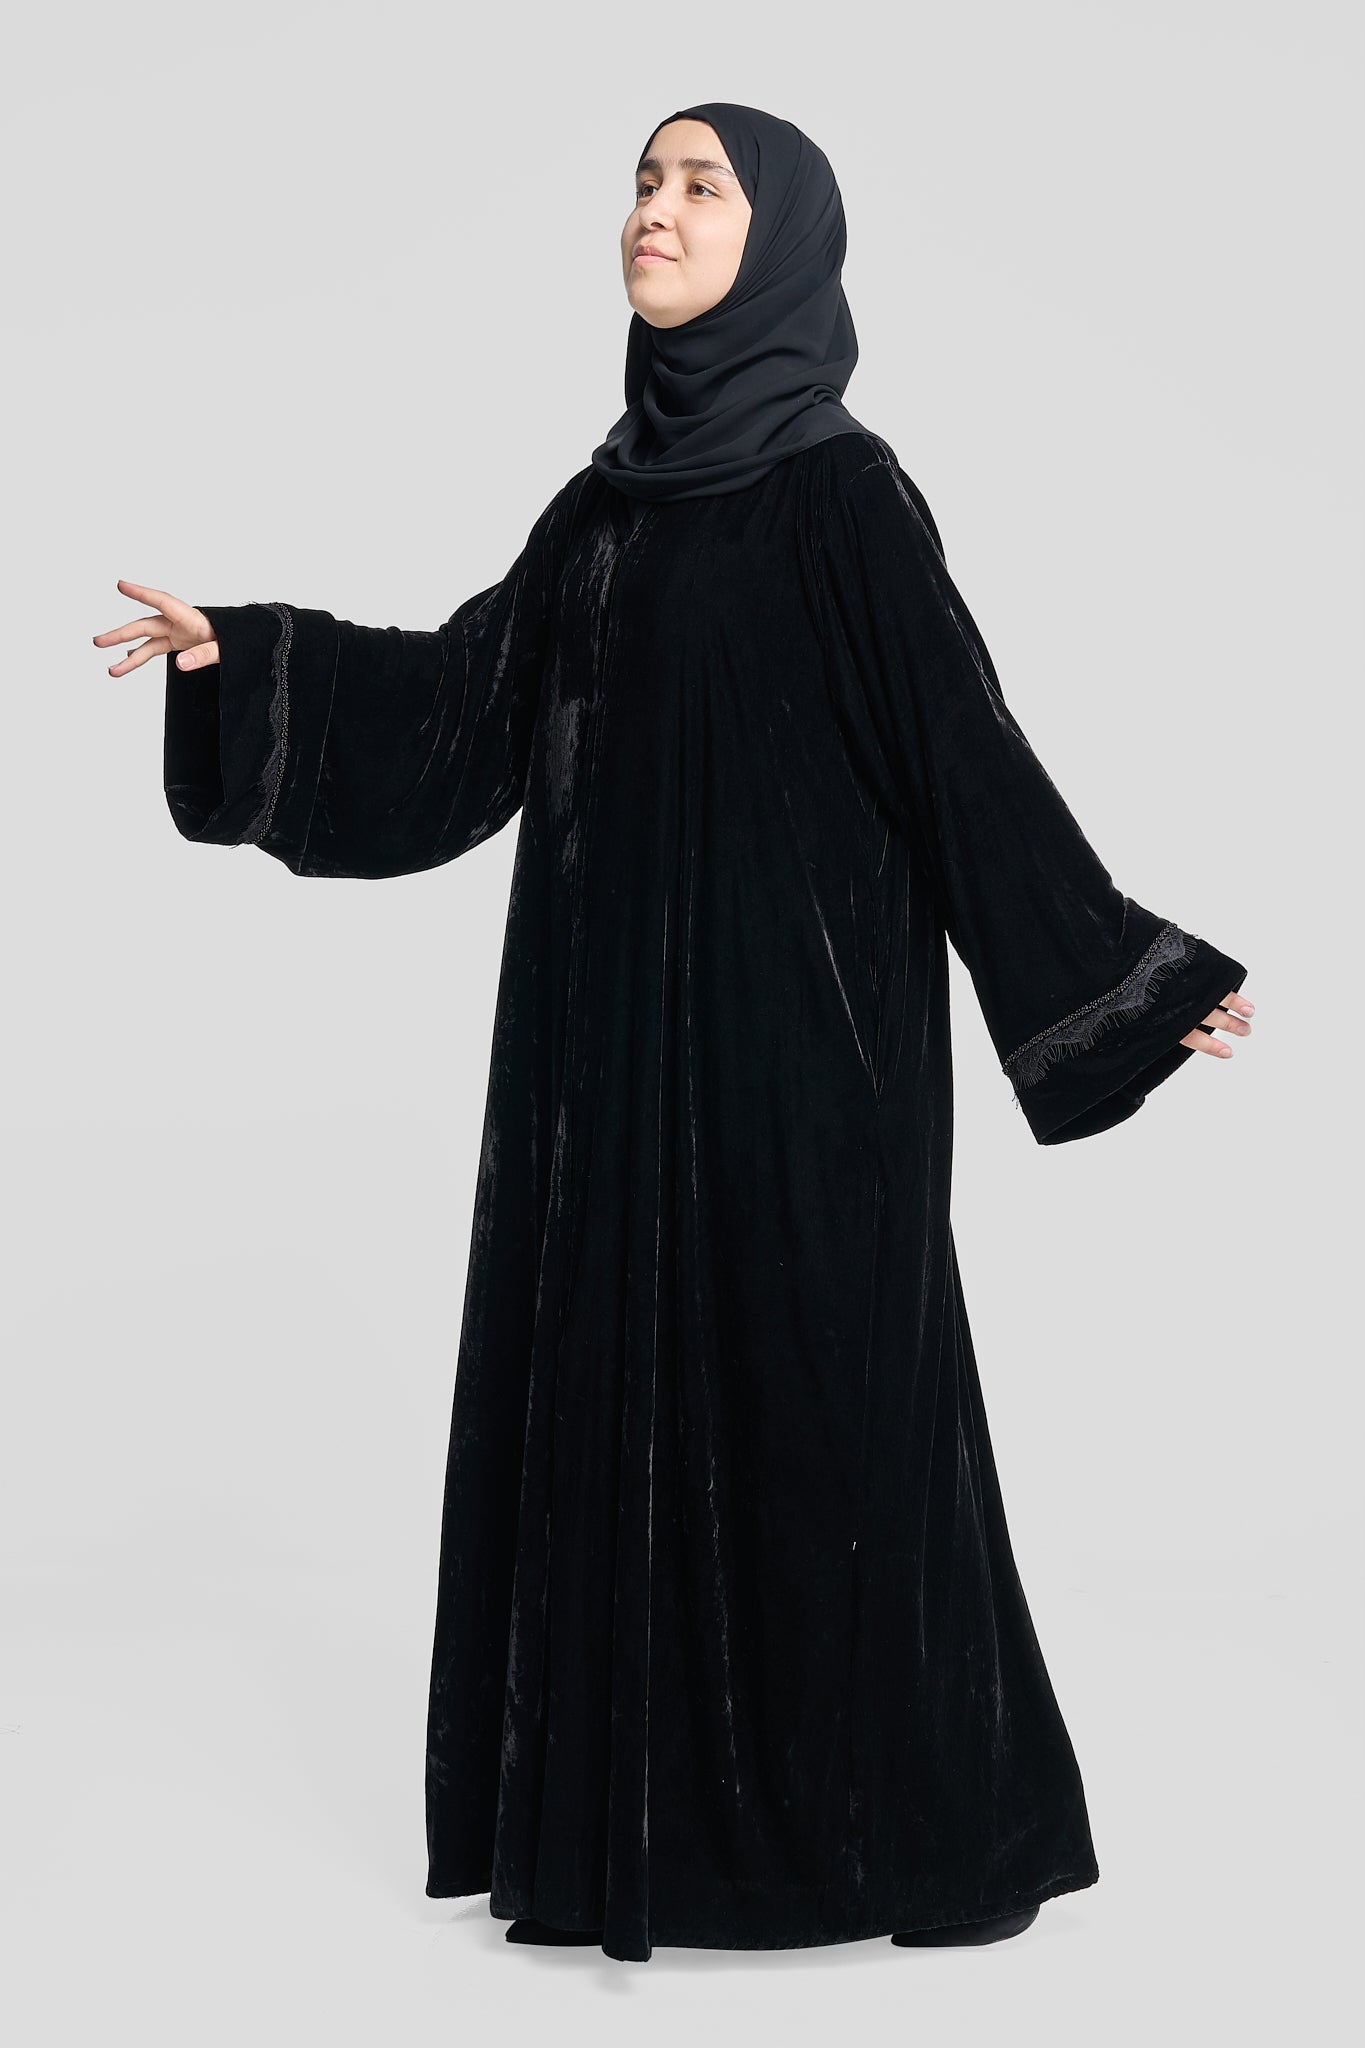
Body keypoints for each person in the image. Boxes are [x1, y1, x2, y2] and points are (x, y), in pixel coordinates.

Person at [95, 101, 1254, 1964]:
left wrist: (1121, 973)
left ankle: (910, 1847)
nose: (656, 209)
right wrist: (254, 654)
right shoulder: (604, 508)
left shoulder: (846, 497)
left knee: (829, 1433)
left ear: (781, 237)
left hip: (809, 1071)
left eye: (701, 185)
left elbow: (962, 753)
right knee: (624, 1415)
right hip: (605, 1064)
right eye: (642, 182)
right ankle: (643, 1849)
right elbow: (463, 712)